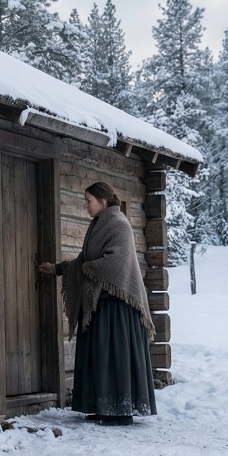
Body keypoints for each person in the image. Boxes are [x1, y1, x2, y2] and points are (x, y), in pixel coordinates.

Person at [38, 181, 156, 426]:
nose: (85, 205)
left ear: (103, 201)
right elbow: (85, 260)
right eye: (85, 200)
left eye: (89, 200)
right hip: (99, 304)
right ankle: (103, 407)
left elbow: (115, 262)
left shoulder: (119, 224)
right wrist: (57, 269)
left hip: (118, 306)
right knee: (99, 357)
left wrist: (86, 268)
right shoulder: (97, 225)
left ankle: (121, 411)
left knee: (115, 357)